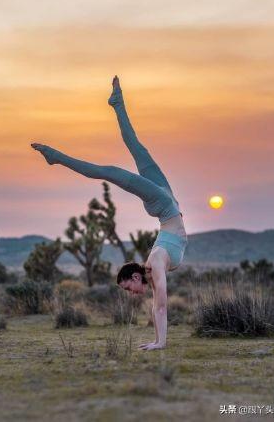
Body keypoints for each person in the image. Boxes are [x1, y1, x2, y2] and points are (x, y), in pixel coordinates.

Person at [31, 76, 188, 351]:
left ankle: (57, 155)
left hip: (163, 202)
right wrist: (156, 342)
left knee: (112, 170)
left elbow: (161, 305)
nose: (131, 293)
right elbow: (157, 305)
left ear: (137, 277)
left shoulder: (157, 262)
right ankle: (117, 103)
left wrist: (160, 343)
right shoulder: (153, 269)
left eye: (128, 288)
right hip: (167, 205)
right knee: (134, 150)